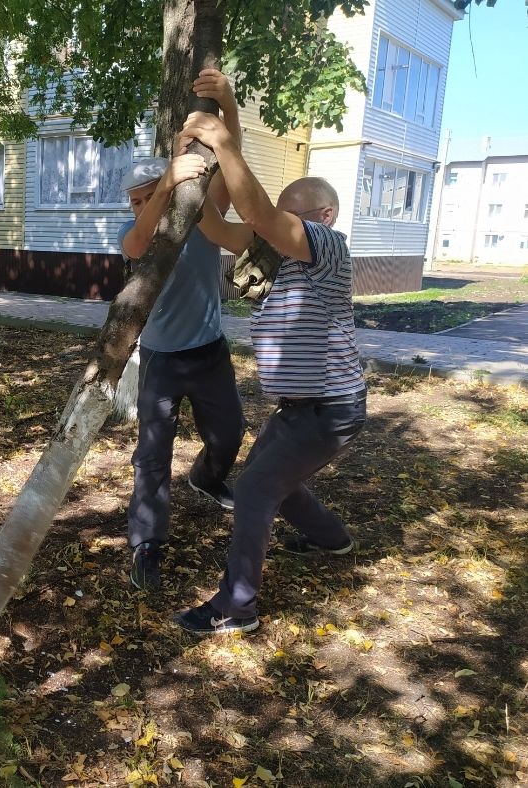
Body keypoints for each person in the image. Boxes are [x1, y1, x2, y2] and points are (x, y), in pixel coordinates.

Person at [172, 109, 367, 635]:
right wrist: (189, 168)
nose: (273, 227)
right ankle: (331, 539)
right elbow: (215, 225)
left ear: (323, 216)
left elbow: (255, 208)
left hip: (329, 410)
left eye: (289, 218)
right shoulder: (282, 253)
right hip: (303, 409)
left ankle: (236, 607)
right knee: (274, 481)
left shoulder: (328, 245)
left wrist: (223, 137)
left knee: (257, 489)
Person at [122, 69, 246, 593]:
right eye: (133, 196)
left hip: (210, 350)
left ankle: (208, 477)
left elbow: (230, 152)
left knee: (230, 434)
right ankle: (146, 544)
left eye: (143, 191)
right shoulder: (142, 229)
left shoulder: (203, 212)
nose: (136, 201)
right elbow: (134, 245)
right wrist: (163, 187)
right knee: (153, 452)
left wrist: (229, 103)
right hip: (162, 358)